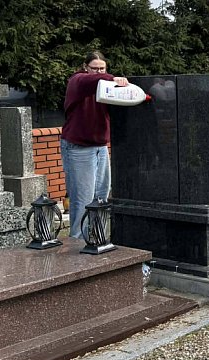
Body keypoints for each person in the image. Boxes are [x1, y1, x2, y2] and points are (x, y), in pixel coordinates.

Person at [61, 51, 129, 239]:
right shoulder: (78, 80)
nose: (98, 72)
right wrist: (113, 77)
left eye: (102, 68)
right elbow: (92, 81)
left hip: (99, 147)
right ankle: (78, 244)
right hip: (79, 148)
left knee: (100, 196)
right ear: (85, 67)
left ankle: (96, 239)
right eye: (95, 68)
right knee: (82, 201)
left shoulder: (107, 86)